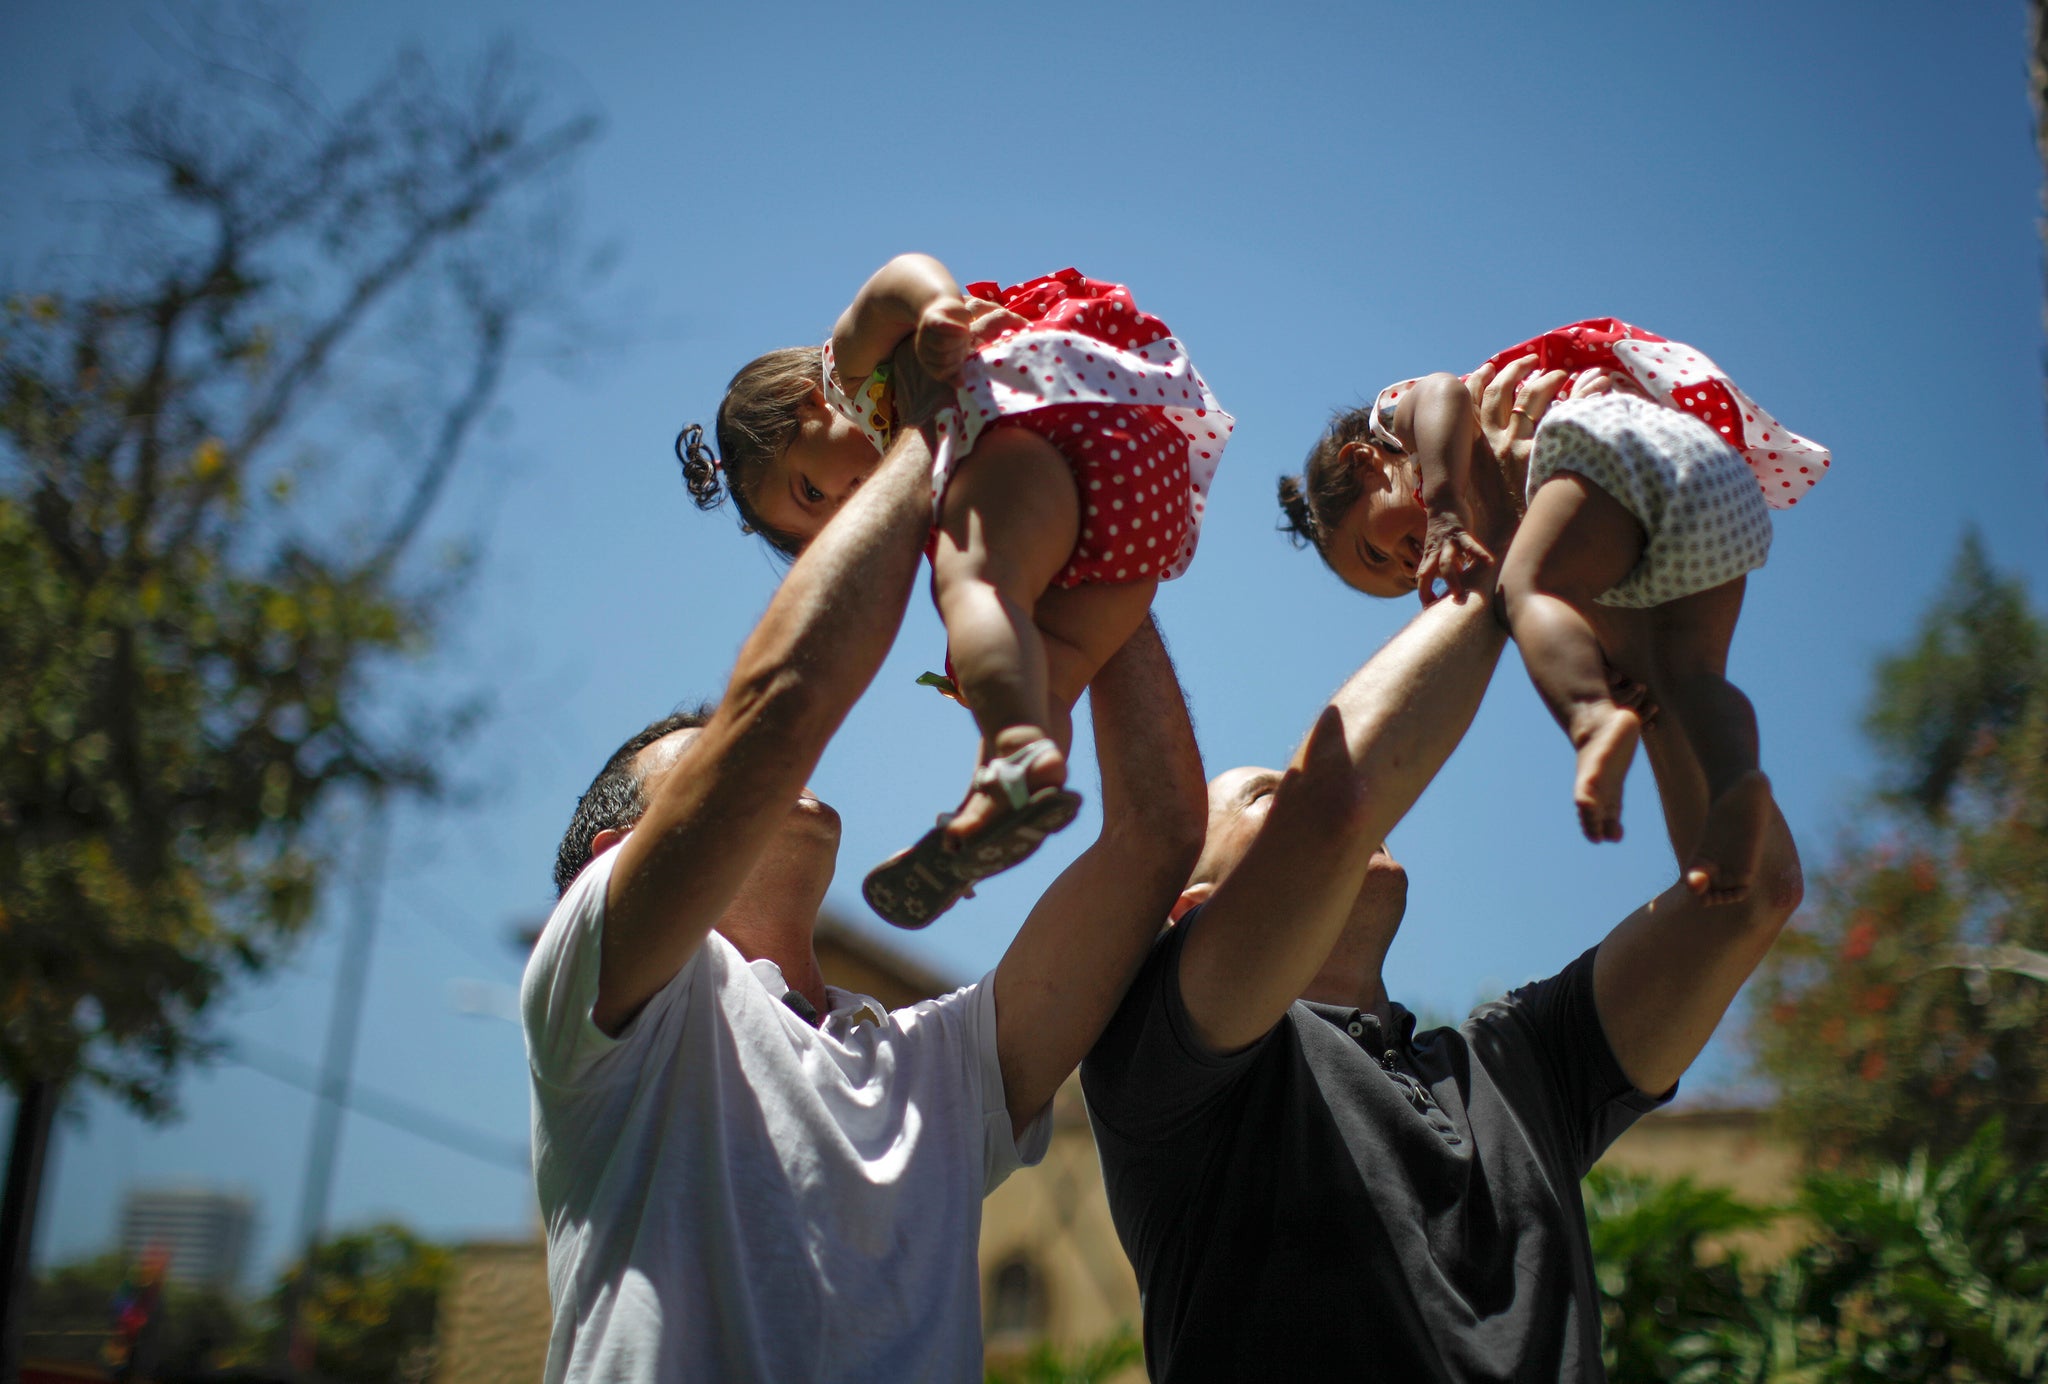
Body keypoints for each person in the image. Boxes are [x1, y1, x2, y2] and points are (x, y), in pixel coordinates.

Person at [1083, 364, 1806, 1382]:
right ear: (1191, 914)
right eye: (1260, 801)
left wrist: (1656, 650)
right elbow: (1334, 806)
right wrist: (1505, 543)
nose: (1291, 805)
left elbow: (1748, 898)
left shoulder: (1517, 1070)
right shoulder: (1160, 1069)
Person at [523, 426, 1206, 1383]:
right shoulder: (599, 1007)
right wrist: (940, 427)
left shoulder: (935, 1073)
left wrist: (1078, 513)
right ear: (615, 858)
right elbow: (779, 707)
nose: (748, 749)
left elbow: (1160, 831)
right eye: (702, 742)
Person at [680, 254, 1232, 926]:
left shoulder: (851, 374)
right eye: (822, 519)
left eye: (810, 488)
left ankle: (1014, 751)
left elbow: (893, 281)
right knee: (1050, 666)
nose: (844, 504)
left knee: (973, 584)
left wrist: (936, 306)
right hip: (1146, 502)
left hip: (1047, 415)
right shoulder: (923, 475)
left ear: (808, 401)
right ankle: (996, 805)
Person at [1278, 321, 1831, 901]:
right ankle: (1735, 780)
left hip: (1614, 439)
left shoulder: (1398, 423)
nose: (1408, 564)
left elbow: (1442, 390)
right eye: (1397, 580)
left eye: (1376, 550)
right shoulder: (1506, 499)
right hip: (1718, 487)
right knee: (1687, 675)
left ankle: (1590, 716)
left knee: (1525, 594)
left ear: (1366, 462)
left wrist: (1443, 507)